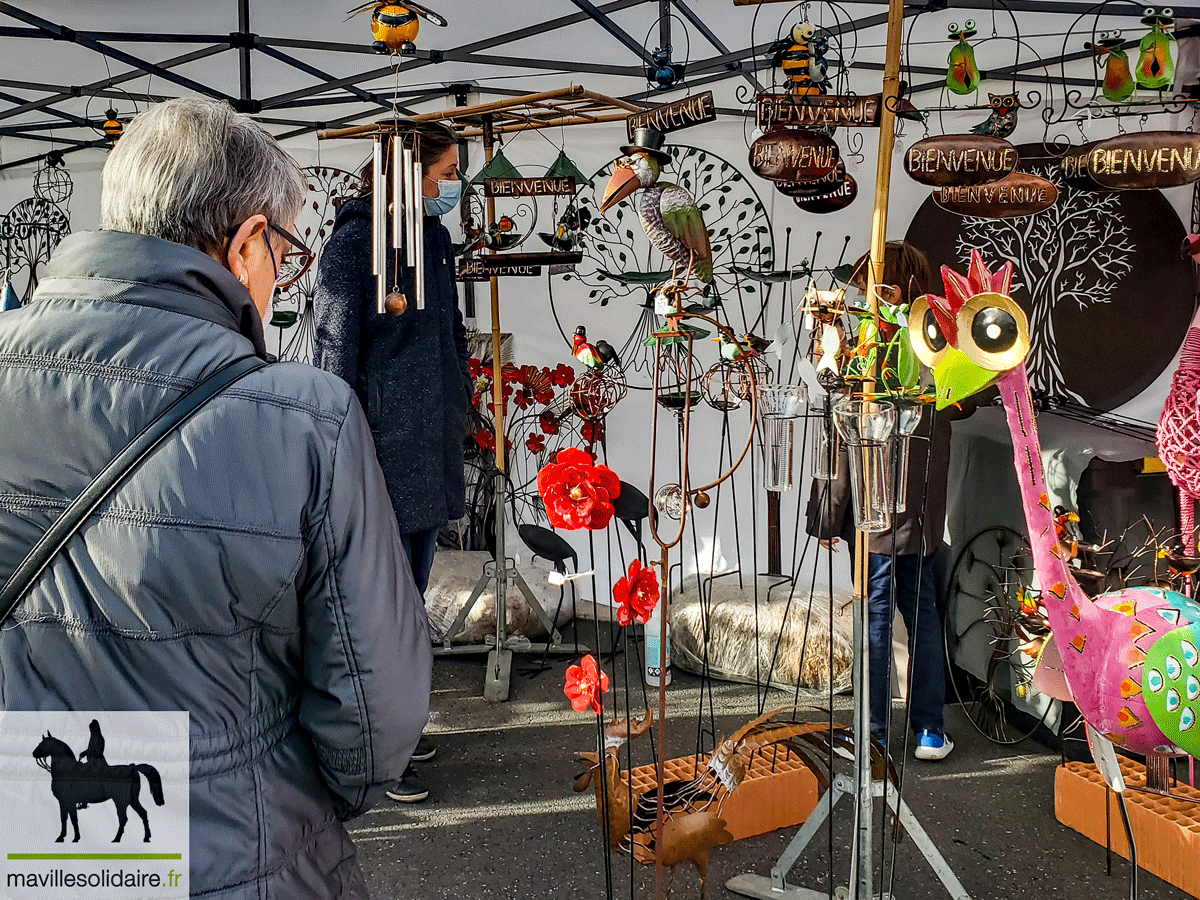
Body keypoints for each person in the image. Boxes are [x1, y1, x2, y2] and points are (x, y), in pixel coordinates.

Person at [0, 98, 432, 898]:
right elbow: (377, 722)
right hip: (237, 854)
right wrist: (275, 792)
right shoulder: (304, 416)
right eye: (285, 252)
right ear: (245, 245)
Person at [314, 119, 471, 804]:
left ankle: (399, 732)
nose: (453, 187)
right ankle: (379, 752)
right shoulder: (352, 246)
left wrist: (461, 401)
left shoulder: (433, 240)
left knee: (408, 609)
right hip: (379, 458)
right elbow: (333, 356)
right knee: (377, 615)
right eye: (445, 174)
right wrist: (337, 455)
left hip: (427, 451)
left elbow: (449, 334)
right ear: (410, 175)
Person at [806, 241, 968, 761]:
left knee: (878, 614)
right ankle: (926, 730)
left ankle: (873, 733)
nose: (861, 295)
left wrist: (832, 514)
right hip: (917, 505)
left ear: (891, 287)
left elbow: (840, 425)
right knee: (919, 611)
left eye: (871, 284)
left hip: (881, 501)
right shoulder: (936, 343)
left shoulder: (878, 342)